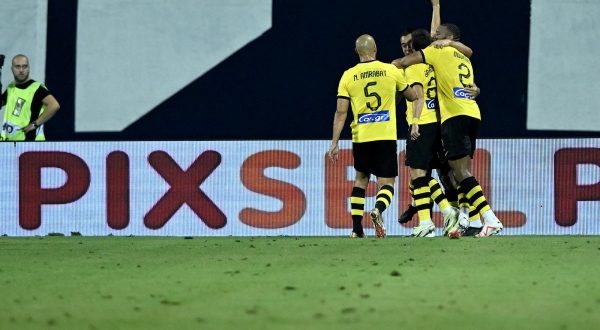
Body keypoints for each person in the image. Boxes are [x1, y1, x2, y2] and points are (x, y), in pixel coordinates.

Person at [395, 23, 504, 237]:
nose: (435, 35)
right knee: (456, 172)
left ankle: (486, 218)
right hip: (472, 113)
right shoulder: (462, 57)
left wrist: (390, 68)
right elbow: (469, 54)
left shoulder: (436, 53)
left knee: (454, 173)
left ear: (449, 37)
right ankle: (468, 219)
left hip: (449, 116)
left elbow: (408, 67)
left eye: (439, 34)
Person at [328, 34, 421, 238]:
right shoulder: (390, 70)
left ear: (357, 52)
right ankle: (378, 209)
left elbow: (341, 112)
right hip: (385, 135)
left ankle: (356, 229)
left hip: (361, 136)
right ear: (376, 49)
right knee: (386, 183)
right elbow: (413, 96)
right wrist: (392, 97)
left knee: (361, 180)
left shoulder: (348, 75)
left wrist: (334, 142)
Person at [1, 54, 60, 141]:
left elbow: (54, 105)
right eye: (17, 67)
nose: (21, 70)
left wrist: (35, 124)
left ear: (28, 68)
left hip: (30, 143)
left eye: (24, 66)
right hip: (11, 142)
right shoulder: (11, 87)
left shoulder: (36, 88)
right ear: (12, 69)